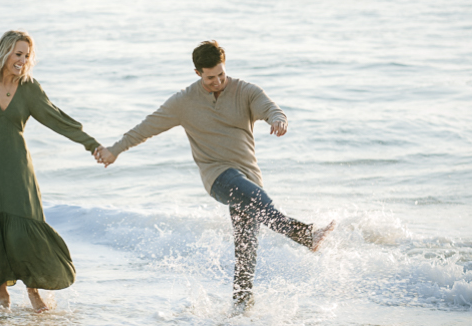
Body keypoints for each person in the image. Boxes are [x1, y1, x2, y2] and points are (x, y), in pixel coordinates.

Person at [95, 40, 335, 307]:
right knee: (257, 201)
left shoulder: (245, 91)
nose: (218, 81)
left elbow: (270, 108)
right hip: (218, 176)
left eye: (221, 74)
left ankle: (240, 314)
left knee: (246, 252)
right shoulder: (183, 102)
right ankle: (304, 235)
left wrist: (279, 120)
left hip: (250, 177)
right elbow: (146, 127)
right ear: (198, 73)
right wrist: (115, 150)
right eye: (211, 77)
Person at [0, 30, 101, 312]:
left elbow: (58, 120)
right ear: (5, 53)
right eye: (18, 54)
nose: (22, 61)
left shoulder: (29, 88)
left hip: (18, 171)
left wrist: (92, 144)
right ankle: (2, 294)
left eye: (26, 56)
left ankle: (33, 290)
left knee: (23, 231)